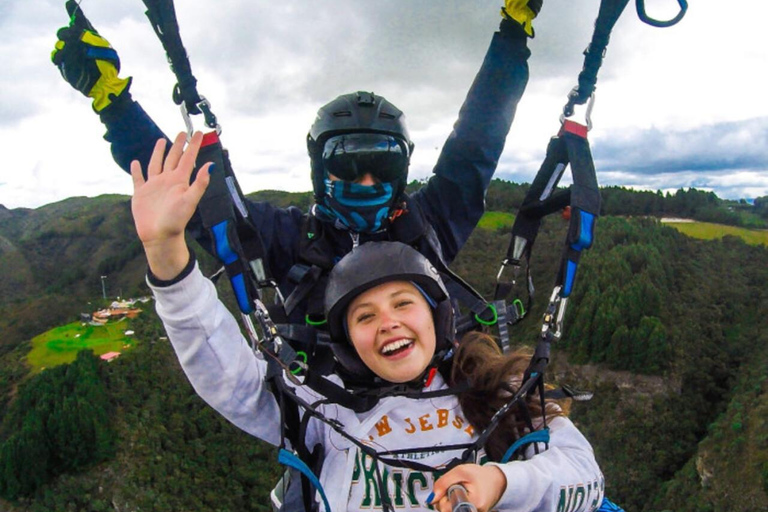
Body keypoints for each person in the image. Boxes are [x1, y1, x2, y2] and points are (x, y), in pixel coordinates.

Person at [131, 132, 605, 512]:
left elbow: (584, 479)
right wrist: (166, 254)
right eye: (365, 315)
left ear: (437, 317)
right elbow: (226, 374)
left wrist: (501, 483)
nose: (388, 324)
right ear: (346, 341)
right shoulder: (321, 408)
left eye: (403, 303)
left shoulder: (500, 391)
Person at [52, 0, 542, 325]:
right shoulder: (286, 240)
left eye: (384, 168)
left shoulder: (429, 221)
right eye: (348, 165)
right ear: (319, 171)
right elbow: (192, 195)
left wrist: (513, 36)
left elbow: (478, 135)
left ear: (403, 172)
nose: (367, 180)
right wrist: (114, 106)